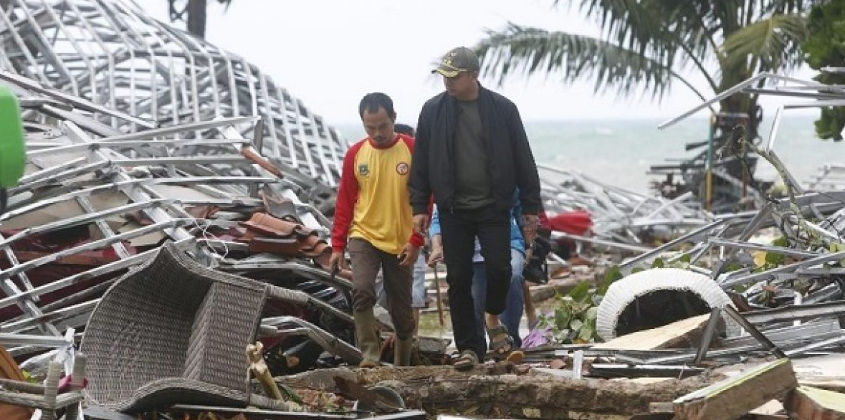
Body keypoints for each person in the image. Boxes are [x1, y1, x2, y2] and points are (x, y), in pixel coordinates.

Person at [409, 46, 542, 369]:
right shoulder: (433, 111)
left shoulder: (502, 110)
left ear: (474, 75)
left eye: (454, 77)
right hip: (453, 209)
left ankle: (492, 317)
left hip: (493, 207)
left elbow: (523, 157)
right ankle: (470, 347)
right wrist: (419, 205)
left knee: (501, 269)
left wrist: (530, 207)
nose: (448, 83)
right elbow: (422, 162)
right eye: (444, 77)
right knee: (458, 278)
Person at [330, 93, 423, 368]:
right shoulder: (355, 154)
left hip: (400, 240)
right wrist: (337, 246)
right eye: (370, 127)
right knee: (361, 289)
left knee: (402, 311)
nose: (378, 133)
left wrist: (417, 240)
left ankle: (402, 364)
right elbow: (345, 201)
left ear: (393, 118)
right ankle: (369, 356)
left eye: (382, 125)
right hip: (364, 234)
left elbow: (424, 199)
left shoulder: (412, 149)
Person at [428, 193, 526, 350]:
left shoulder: (500, 174)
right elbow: (437, 218)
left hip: (505, 242)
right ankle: (476, 350)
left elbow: (522, 205)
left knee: (513, 275)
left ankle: (510, 341)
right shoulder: (448, 182)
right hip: (470, 251)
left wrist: (530, 243)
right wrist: (437, 246)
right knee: (474, 302)